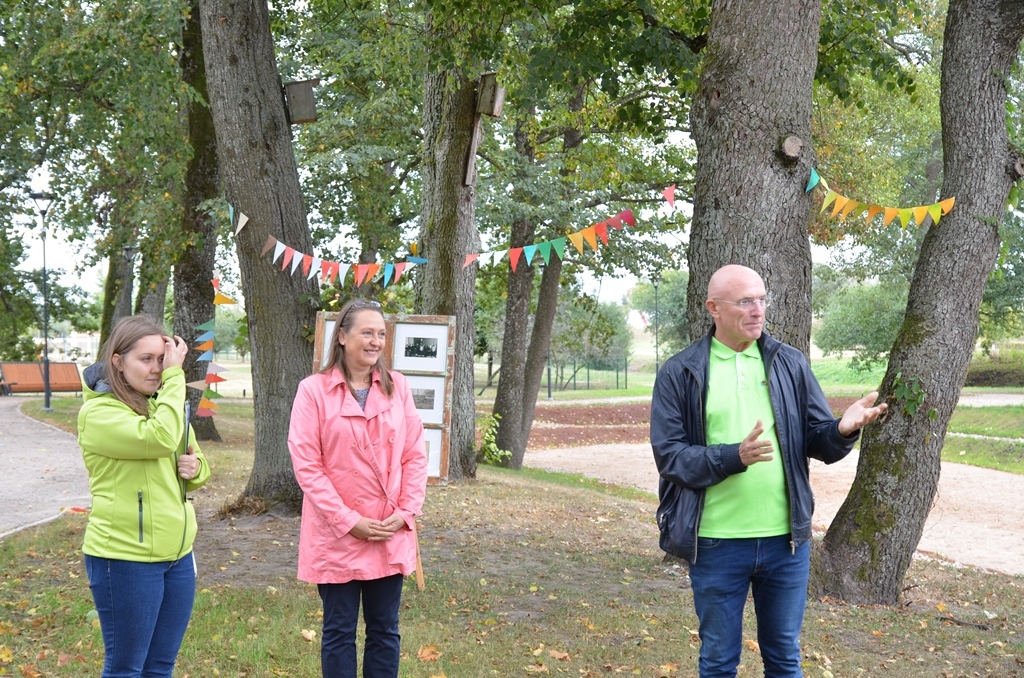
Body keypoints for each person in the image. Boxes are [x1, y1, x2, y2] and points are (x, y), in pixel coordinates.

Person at [650, 265, 887, 678]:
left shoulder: (788, 363)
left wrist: (842, 429)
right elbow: (671, 457)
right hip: (715, 544)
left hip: (786, 545)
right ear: (714, 308)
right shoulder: (680, 372)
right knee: (719, 661)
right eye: (745, 301)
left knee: (784, 659)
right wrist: (732, 457)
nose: (758, 310)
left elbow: (818, 440)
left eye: (761, 299)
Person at [288, 299, 428, 678]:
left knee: (385, 630)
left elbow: (415, 455)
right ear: (343, 337)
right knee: (338, 631)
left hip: (388, 528)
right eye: (367, 332)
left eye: (381, 334)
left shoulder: (397, 386)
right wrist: (349, 520)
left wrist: (405, 513)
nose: (375, 341)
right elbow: (307, 465)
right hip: (337, 533)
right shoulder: (313, 391)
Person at [78, 315, 210, 678]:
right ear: (118, 362)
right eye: (146, 359)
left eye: (162, 359)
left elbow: (193, 458)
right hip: (125, 557)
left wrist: (195, 470)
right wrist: (175, 377)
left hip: (178, 556)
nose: (157, 369)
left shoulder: (160, 406)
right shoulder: (99, 413)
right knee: (126, 668)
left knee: (160, 666)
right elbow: (160, 439)